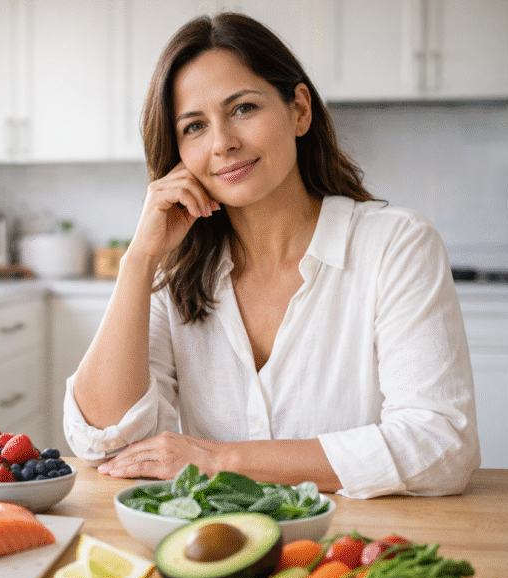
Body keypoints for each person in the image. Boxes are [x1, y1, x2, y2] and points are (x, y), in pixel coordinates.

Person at [62, 12, 479, 499]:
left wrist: (221, 461)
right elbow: (104, 441)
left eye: (242, 109)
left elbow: (440, 446)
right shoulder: (175, 273)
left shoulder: (394, 245)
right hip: (213, 550)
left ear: (299, 110)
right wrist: (139, 260)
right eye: (194, 126)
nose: (223, 143)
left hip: (355, 553)